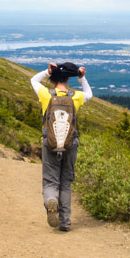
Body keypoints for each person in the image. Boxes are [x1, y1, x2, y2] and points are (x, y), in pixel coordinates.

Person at [31, 61, 92, 231]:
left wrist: (47, 71)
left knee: (50, 181)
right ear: (67, 78)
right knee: (65, 182)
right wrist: (82, 78)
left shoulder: (46, 94)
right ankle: (65, 222)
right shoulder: (76, 96)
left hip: (49, 141)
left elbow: (34, 81)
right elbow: (89, 93)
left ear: (53, 79)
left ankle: (51, 201)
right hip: (70, 142)